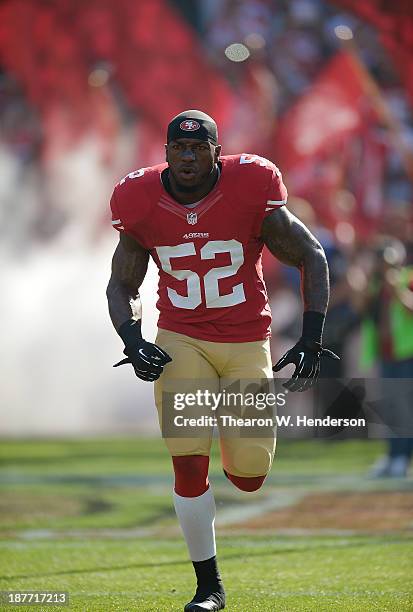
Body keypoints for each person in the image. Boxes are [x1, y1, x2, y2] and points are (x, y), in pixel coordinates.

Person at [106, 110, 338, 612]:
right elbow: (123, 283)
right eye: (178, 148)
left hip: (245, 337)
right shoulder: (138, 198)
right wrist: (131, 337)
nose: (187, 157)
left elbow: (311, 255)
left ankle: (239, 463)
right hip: (180, 336)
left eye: (197, 148)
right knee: (188, 464)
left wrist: (313, 335)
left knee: (250, 474)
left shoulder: (252, 183)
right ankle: (208, 587)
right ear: (166, 152)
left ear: (217, 151)